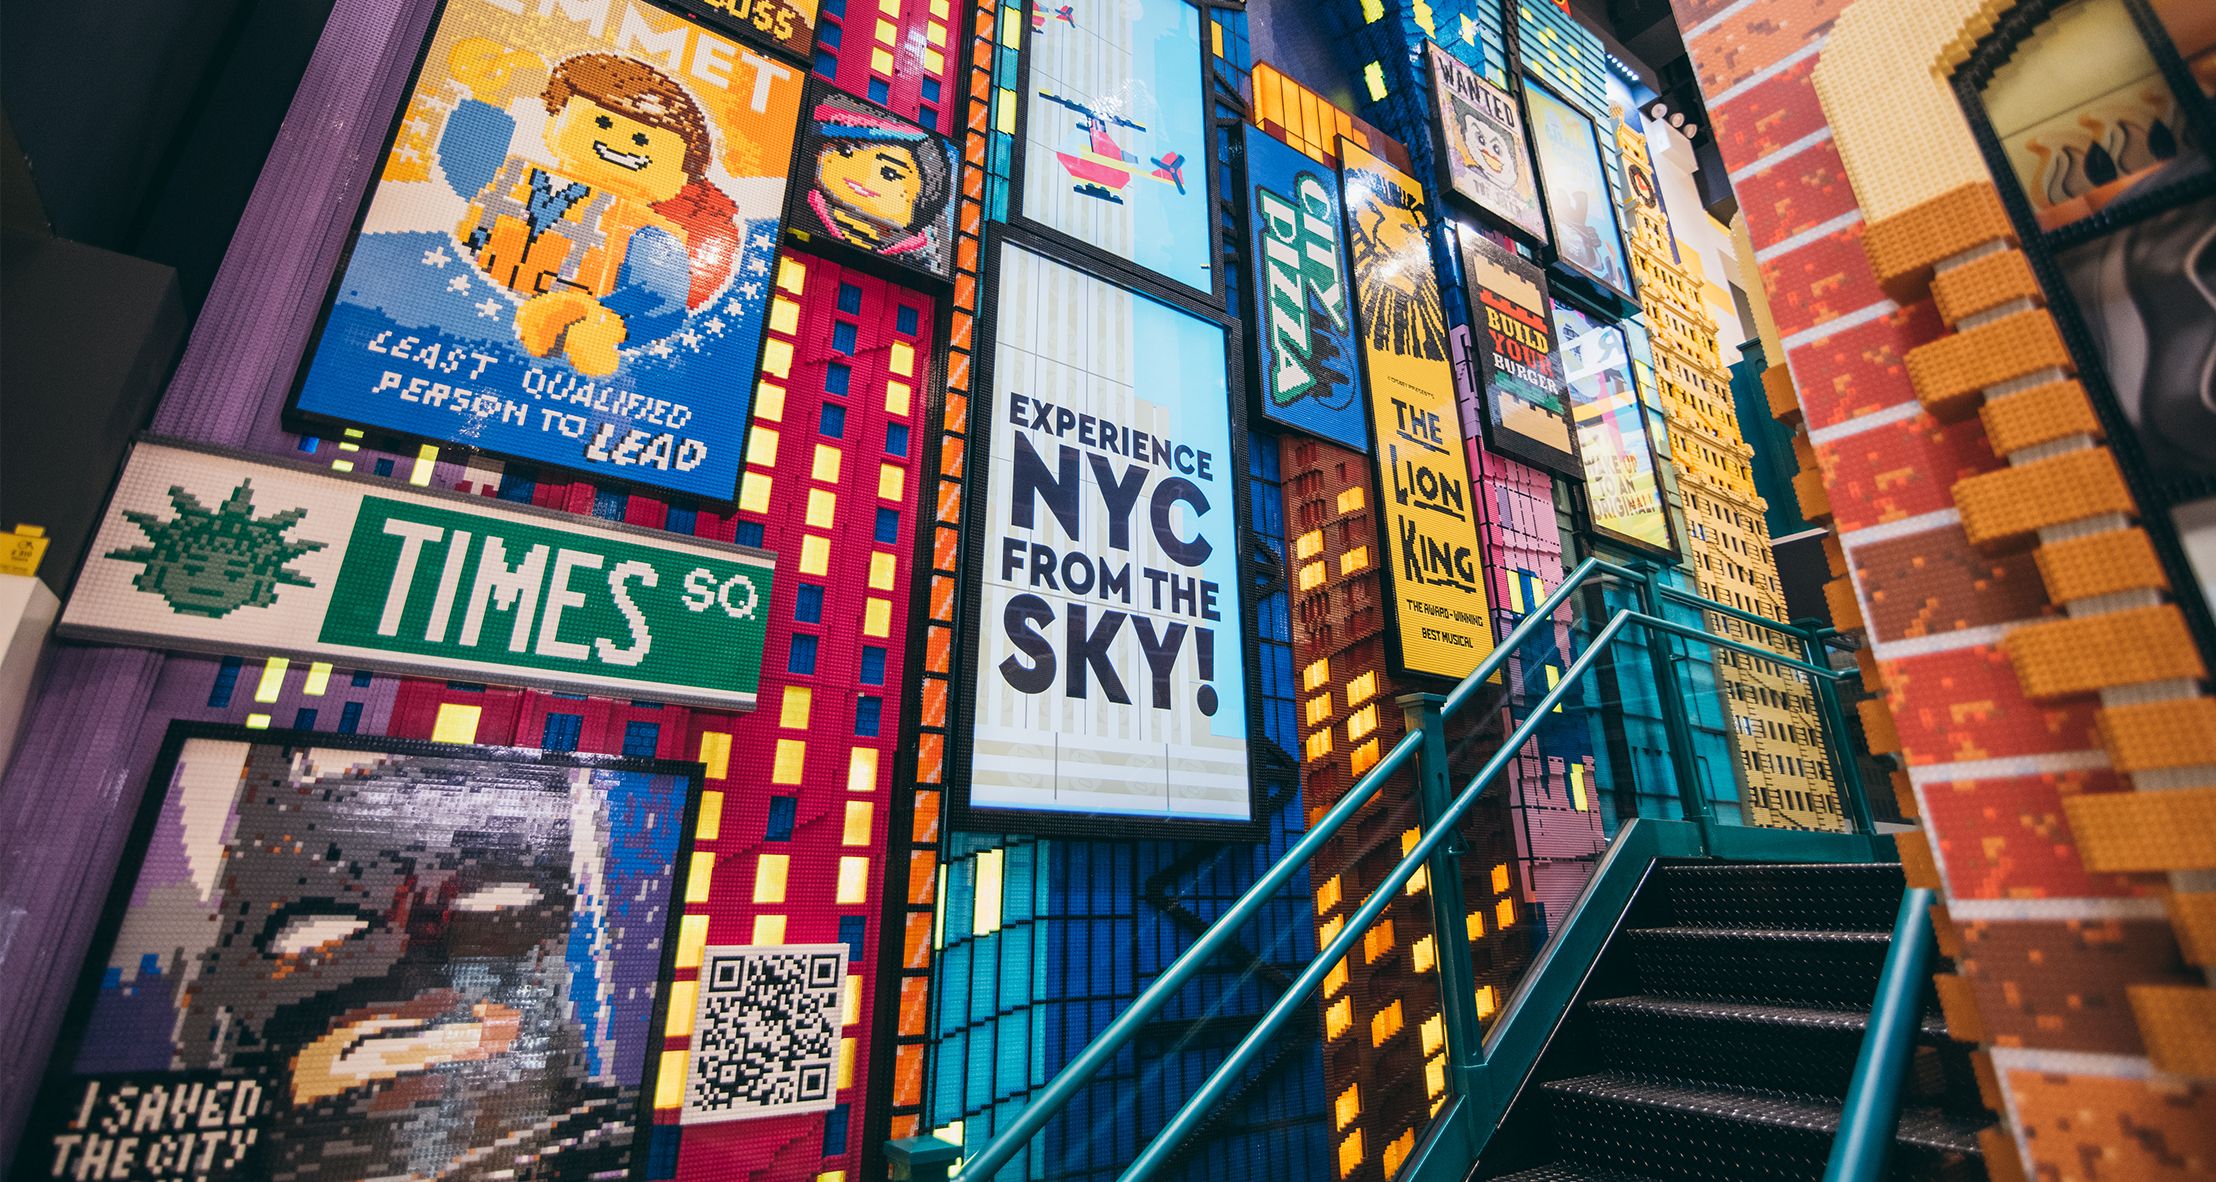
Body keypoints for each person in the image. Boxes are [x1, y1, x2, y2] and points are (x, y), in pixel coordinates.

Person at [437, 40, 737, 376]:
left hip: (555, 353)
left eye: (641, 140)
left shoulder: (645, 231)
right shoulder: (513, 178)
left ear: (682, 175)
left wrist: (603, 321)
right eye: (604, 124)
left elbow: (660, 298)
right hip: (455, 321)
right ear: (554, 119)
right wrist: (487, 98)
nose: (621, 144)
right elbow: (463, 171)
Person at [800, 98, 953, 264]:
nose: (864, 176)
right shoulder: (800, 208)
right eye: (845, 151)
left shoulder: (928, 259)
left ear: (926, 194)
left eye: (890, 173)